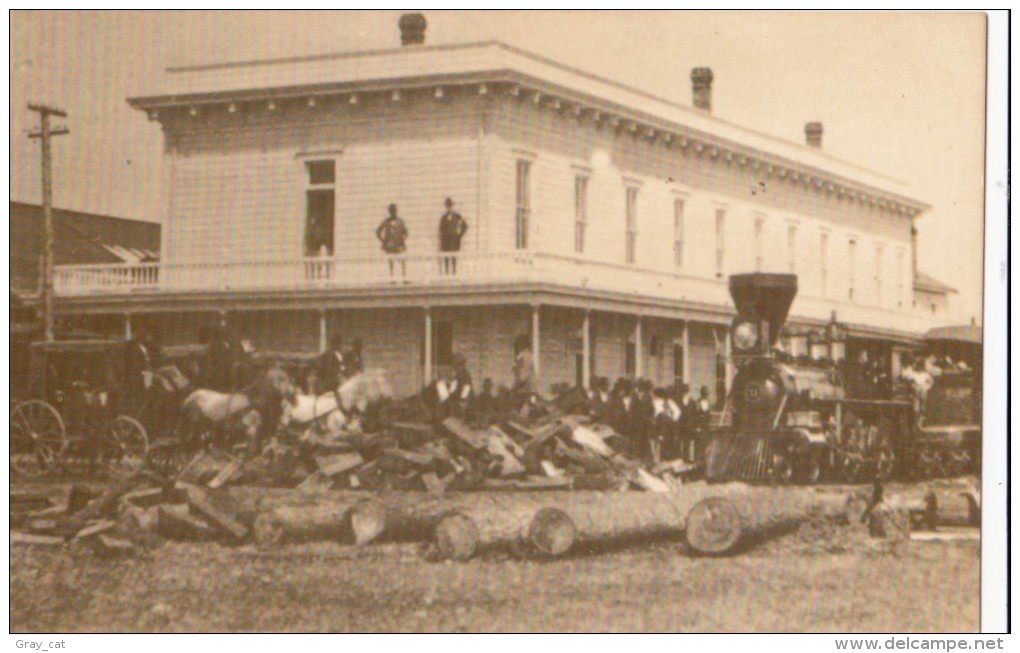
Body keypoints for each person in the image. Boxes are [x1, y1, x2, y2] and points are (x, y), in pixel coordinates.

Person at [376, 204, 408, 279]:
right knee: (391, 262)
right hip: (390, 244)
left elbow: (405, 232)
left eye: (394, 211)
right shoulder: (386, 221)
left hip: (399, 244)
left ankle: (404, 276)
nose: (393, 212)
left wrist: (403, 238)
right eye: (392, 211)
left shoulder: (400, 221)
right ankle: (392, 277)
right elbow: (378, 231)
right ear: (389, 212)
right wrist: (383, 241)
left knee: (402, 260)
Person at [438, 197, 468, 275]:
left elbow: (465, 225)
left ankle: (454, 273)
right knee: (446, 257)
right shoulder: (443, 217)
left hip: (454, 240)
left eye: (450, 206)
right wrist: (442, 239)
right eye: (447, 206)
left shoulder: (457, 216)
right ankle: (447, 273)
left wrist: (459, 235)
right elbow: (441, 229)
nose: (449, 208)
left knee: (454, 257)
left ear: (453, 206)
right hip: (446, 241)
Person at [511, 334, 535, 409]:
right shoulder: (524, 355)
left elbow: (526, 372)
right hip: (523, 383)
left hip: (524, 383)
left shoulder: (525, 355)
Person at [450, 353, 474, 418]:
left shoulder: (465, 375)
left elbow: (466, 390)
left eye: (454, 364)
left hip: (464, 405)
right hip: (457, 403)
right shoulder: (457, 376)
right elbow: (452, 390)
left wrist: (461, 402)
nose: (453, 367)